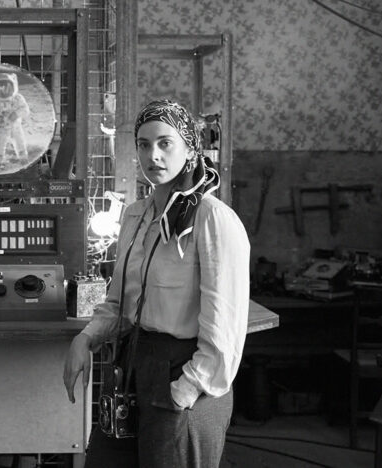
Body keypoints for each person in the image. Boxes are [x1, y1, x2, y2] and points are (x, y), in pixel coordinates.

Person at [63, 99, 250, 467]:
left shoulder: (213, 219)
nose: (154, 155)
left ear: (190, 149)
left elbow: (225, 332)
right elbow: (119, 303)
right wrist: (84, 338)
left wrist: (185, 391)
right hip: (135, 367)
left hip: (186, 375)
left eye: (165, 143)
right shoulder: (135, 215)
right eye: (144, 144)